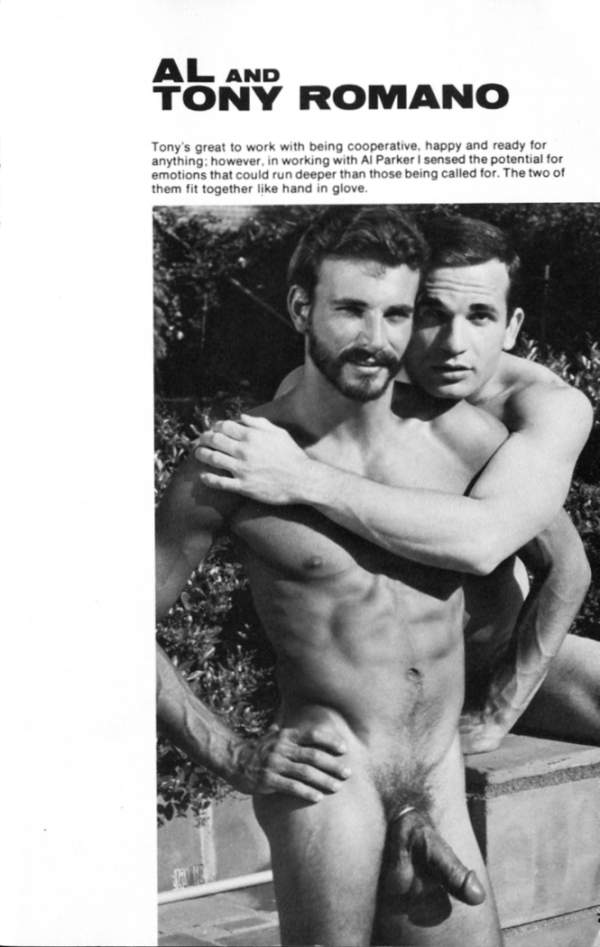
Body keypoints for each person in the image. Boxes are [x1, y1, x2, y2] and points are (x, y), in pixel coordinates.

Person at [157, 206, 507, 945]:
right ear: (300, 307)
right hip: (329, 776)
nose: (376, 338)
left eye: (397, 314)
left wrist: (501, 698)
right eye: (351, 309)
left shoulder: (468, 441)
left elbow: (556, 562)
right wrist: (229, 750)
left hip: (438, 773)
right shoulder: (234, 461)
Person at [197, 213, 596, 753]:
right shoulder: (336, 383)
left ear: (512, 325)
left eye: (480, 315)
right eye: (430, 313)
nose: (454, 344)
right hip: (368, 680)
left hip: (495, 655)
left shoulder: (542, 406)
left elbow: (527, 555)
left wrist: (498, 711)